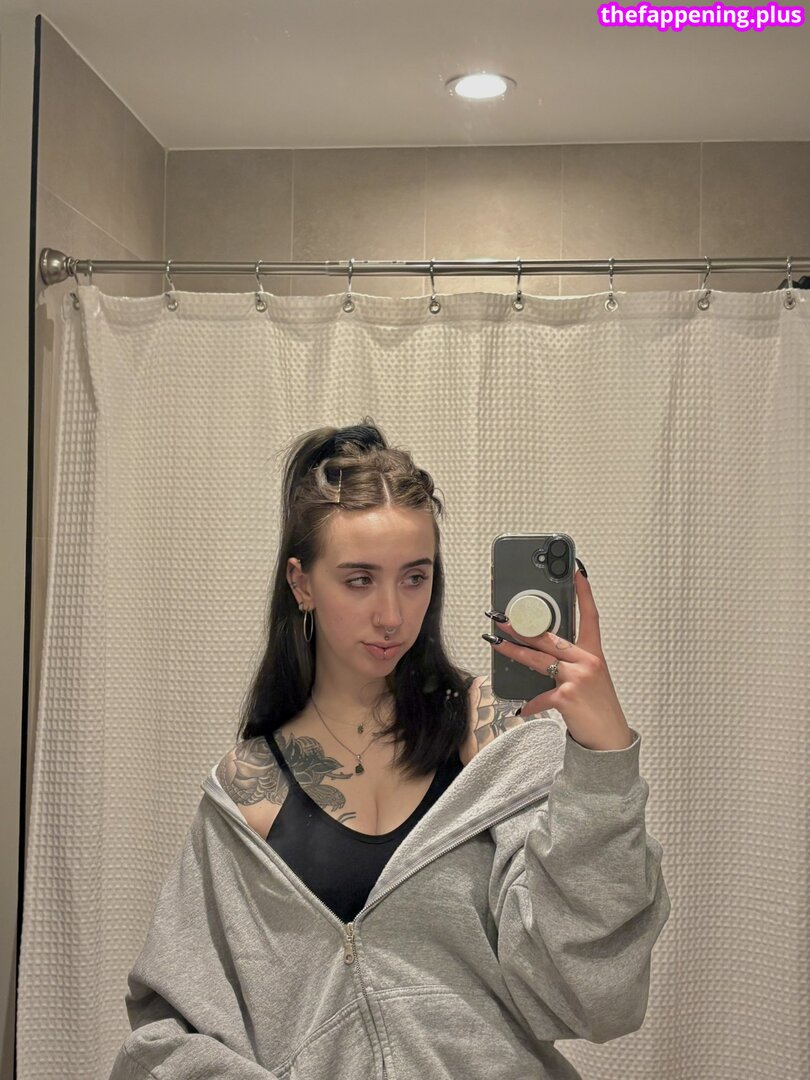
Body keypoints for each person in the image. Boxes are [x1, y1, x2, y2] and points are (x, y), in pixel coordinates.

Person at [109, 418, 671, 1080]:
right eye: (359, 579)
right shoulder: (249, 787)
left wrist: (603, 760)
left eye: (414, 577)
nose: (392, 615)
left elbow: (595, 997)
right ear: (301, 584)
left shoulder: (498, 737)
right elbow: (166, 1034)